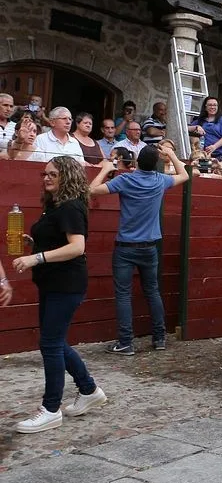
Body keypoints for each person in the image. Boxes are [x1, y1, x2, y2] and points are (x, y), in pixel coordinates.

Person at [11, 157, 107, 433]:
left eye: (53, 174)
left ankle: (51, 409)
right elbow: (58, 241)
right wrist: (35, 243)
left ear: (67, 176)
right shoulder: (54, 206)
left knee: (50, 344)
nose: (46, 177)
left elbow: (77, 247)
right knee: (54, 342)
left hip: (66, 284)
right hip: (52, 283)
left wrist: (36, 258)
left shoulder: (71, 206)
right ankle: (89, 390)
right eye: (44, 173)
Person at [89, 145, 190, 354]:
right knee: (152, 292)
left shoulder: (125, 180)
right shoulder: (160, 180)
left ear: (136, 163)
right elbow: (184, 175)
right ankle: (159, 338)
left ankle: (126, 342)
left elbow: (92, 190)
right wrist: (171, 154)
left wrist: (105, 169)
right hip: (149, 247)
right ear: (156, 164)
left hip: (126, 246)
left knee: (124, 295)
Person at [189, 96, 222, 164]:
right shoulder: (200, 121)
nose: (212, 107)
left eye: (215, 105)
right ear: (205, 107)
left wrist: (214, 146)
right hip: (209, 155)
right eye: (210, 105)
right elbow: (185, 128)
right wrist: (196, 127)